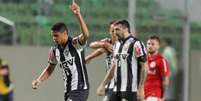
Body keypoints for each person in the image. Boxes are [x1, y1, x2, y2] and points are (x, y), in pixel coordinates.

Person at [32, 1, 90, 101]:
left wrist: (78, 15)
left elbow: (86, 35)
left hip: (80, 88)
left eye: (56, 36)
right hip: (67, 90)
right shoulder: (54, 51)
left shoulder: (74, 43)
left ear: (65, 33)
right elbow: (50, 68)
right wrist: (39, 80)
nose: (54, 38)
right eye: (53, 36)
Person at [96, 20, 147, 101]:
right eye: (114, 30)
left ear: (126, 29)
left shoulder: (136, 44)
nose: (115, 32)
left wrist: (141, 88)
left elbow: (144, 67)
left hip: (130, 89)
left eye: (117, 30)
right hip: (116, 89)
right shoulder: (117, 45)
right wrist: (102, 84)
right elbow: (113, 67)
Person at [85, 21, 117, 101]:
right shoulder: (108, 43)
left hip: (120, 82)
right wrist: (104, 44)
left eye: (116, 30)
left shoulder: (123, 45)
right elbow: (92, 45)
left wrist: (89, 57)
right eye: (112, 31)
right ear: (109, 32)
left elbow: (102, 50)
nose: (114, 33)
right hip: (110, 82)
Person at [144, 35, 170, 101]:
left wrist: (163, 96)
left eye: (153, 44)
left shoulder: (161, 60)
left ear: (158, 46)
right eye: (148, 44)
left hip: (155, 95)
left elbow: (165, 80)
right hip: (143, 94)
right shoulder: (143, 60)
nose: (150, 46)